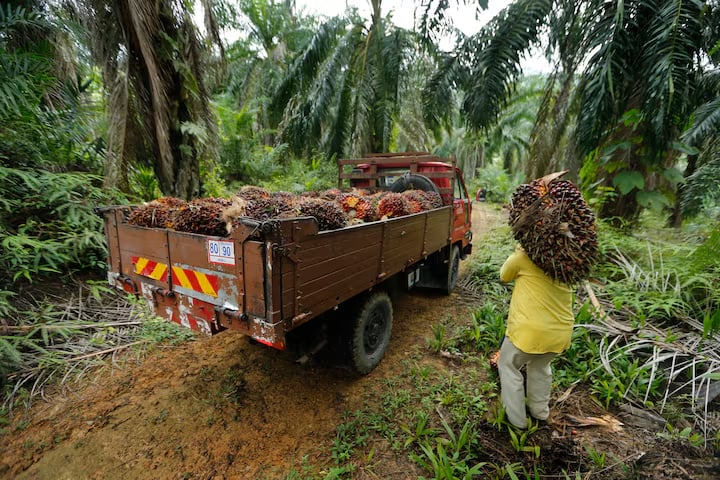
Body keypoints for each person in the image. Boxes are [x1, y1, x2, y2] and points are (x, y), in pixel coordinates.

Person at [497, 244, 574, 430]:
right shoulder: (568, 263)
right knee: (541, 366)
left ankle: (517, 422)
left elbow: (504, 275)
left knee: (508, 365)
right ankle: (540, 413)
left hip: (529, 331)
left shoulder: (524, 258)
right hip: (560, 331)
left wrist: (519, 250)